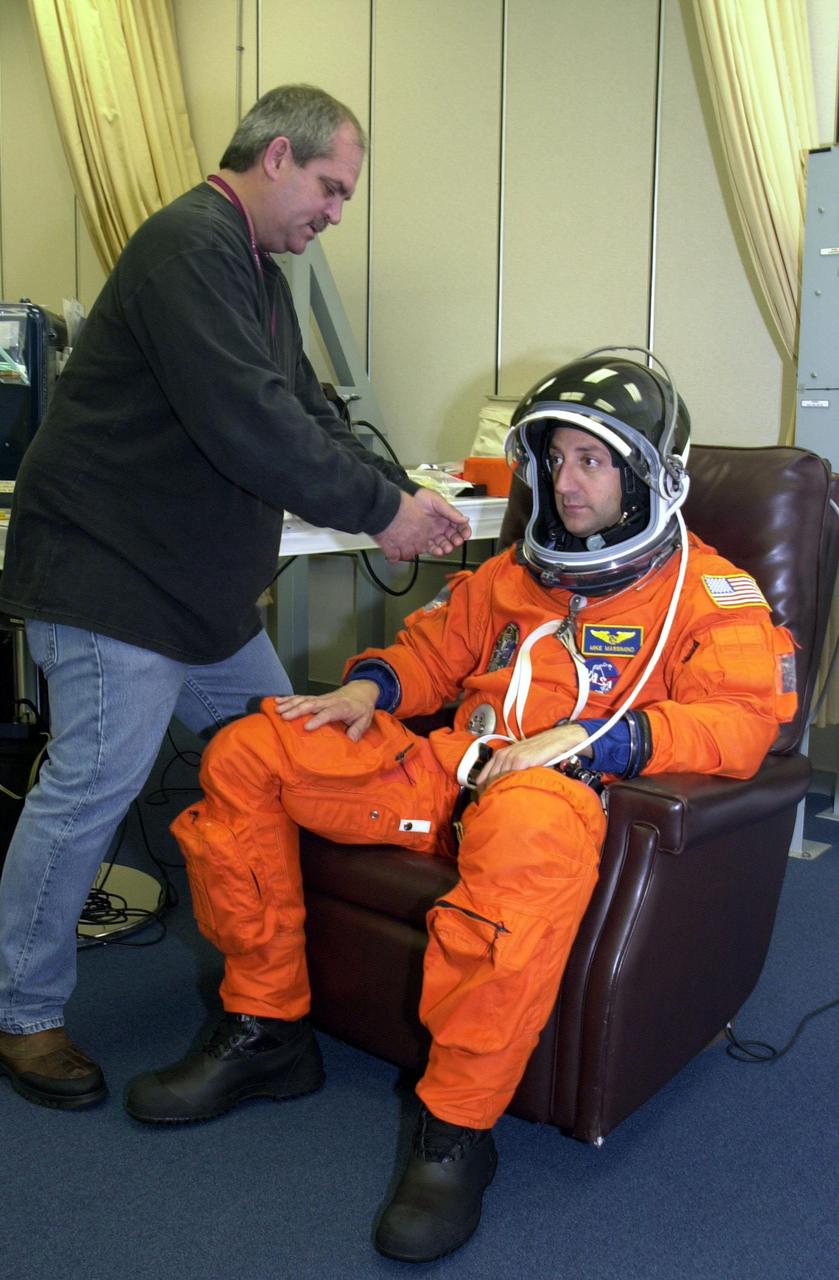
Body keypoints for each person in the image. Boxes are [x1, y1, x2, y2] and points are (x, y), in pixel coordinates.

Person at [124, 349, 797, 1262]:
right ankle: (266, 1028)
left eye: (592, 461)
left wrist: (605, 740)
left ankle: (455, 1133)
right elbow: (428, 653)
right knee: (252, 751)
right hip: (450, 772)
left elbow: (742, 718)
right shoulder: (512, 575)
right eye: (554, 459)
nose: (564, 483)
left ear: (644, 475)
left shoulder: (709, 594)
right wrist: (368, 690)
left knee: (525, 822)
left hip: (557, 801)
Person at [0, 84, 470, 1113]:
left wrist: (399, 492)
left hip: (199, 594)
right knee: (89, 794)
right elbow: (248, 419)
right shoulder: (187, 244)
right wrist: (380, 511)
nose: (336, 212)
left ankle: (271, 992)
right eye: (330, 187)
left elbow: (303, 403)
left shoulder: (260, 275)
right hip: (112, 576)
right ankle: (24, 1010)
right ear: (276, 159)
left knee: (286, 752)